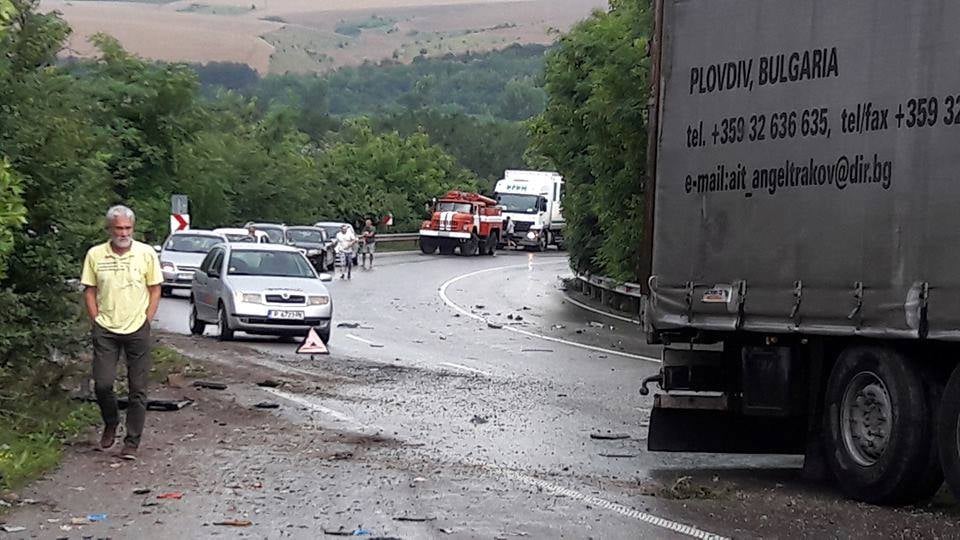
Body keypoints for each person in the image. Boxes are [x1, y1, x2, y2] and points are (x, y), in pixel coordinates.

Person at [80, 205, 162, 459]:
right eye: (119, 228)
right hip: (105, 328)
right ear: (110, 229)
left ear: (133, 229)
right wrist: (95, 320)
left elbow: (155, 288)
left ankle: (132, 442)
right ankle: (111, 421)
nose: (124, 233)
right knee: (103, 384)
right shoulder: (95, 254)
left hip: (137, 327)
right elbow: (90, 289)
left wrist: (146, 320)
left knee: (138, 388)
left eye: (128, 228)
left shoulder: (146, 254)